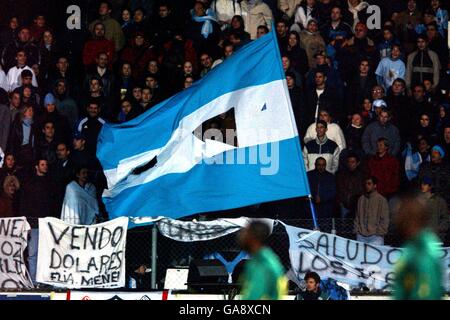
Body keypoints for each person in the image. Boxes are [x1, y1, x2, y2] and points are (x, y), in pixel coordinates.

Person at [393, 194, 444, 300]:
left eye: (400, 214)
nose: (396, 219)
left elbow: (427, 294)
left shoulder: (424, 253)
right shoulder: (411, 247)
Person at [238, 220, 288, 300]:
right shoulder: (265, 257)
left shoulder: (262, 264)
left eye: (245, 232)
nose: (241, 236)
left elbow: (254, 296)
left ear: (253, 237)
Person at [354, 176, 390, 245]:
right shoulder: (361, 199)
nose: (367, 186)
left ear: (375, 185)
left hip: (376, 236)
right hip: (361, 236)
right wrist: (357, 230)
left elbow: (385, 219)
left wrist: (379, 232)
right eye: (365, 184)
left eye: (369, 184)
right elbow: (357, 216)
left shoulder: (381, 200)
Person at [418, 176, 449, 241]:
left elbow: (446, 219)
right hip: (421, 238)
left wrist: (438, 231)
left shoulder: (440, 201)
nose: (422, 186)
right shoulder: (418, 201)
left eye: (425, 184)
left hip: (436, 238)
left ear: (430, 186)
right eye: (422, 184)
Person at [336, 152, 366, 219]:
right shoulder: (341, 175)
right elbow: (339, 189)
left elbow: (363, 190)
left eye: (353, 162)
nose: (350, 164)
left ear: (357, 163)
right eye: (349, 162)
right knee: (345, 226)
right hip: (344, 205)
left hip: (358, 205)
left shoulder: (362, 175)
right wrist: (341, 202)